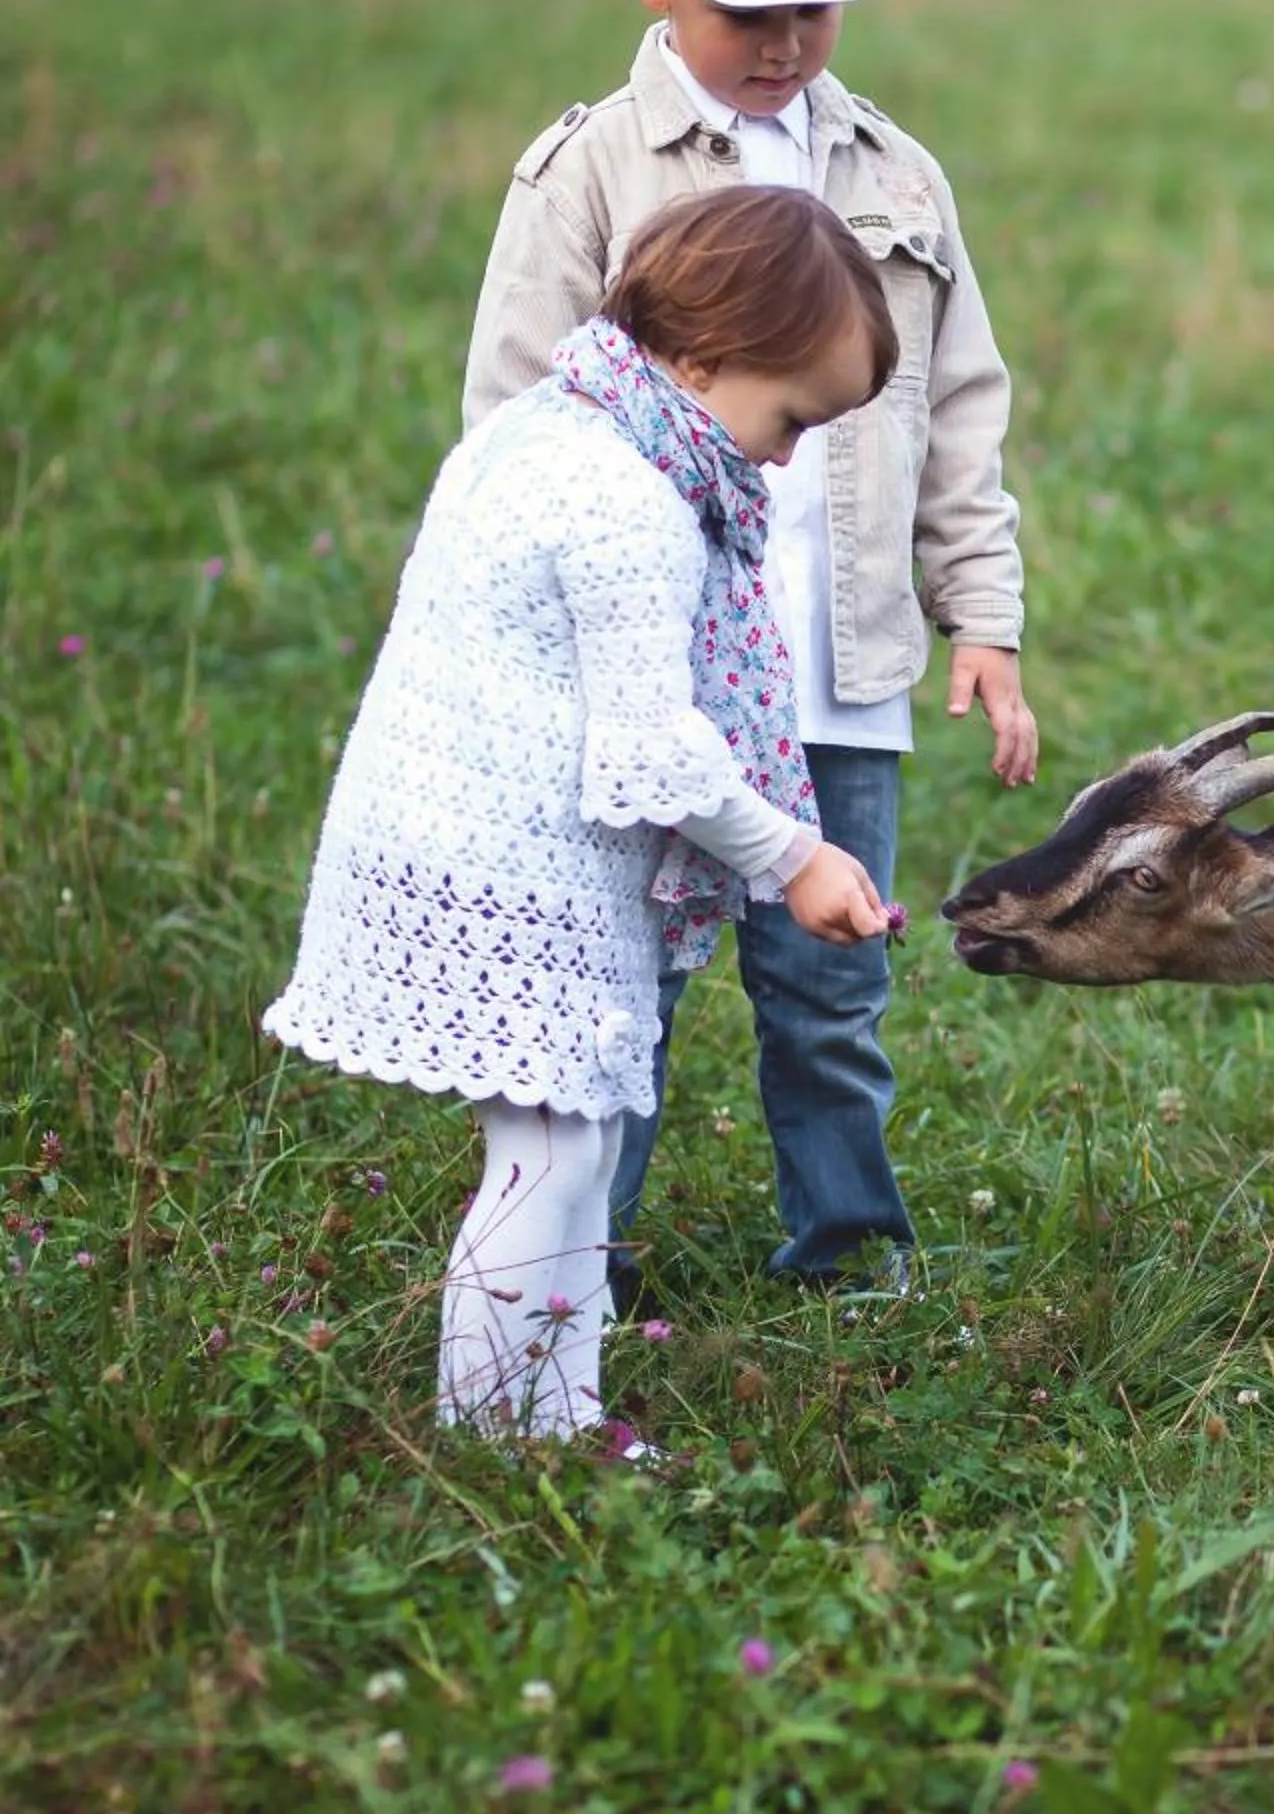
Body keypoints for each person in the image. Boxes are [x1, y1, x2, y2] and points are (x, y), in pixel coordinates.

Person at [461, 0, 1038, 1302]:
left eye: (817, 11)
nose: (785, 44)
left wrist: (983, 619)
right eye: (749, 12)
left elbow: (956, 411)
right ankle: (579, 1263)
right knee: (619, 990)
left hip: (836, 673)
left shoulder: (900, 178)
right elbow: (515, 421)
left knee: (831, 988)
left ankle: (849, 1257)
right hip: (646, 678)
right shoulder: (588, 175)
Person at [266, 188, 900, 1447]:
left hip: (469, 845)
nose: (782, 459)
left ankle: (560, 1414)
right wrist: (796, 853)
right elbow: (651, 752)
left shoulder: (543, 427)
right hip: (513, 871)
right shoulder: (628, 501)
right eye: (791, 420)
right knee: (549, 1163)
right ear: (705, 356)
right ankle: (490, 1432)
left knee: (573, 1149)